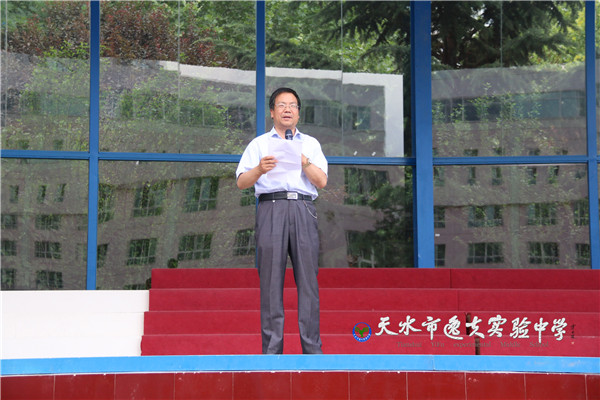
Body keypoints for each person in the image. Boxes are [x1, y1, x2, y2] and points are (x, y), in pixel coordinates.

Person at [236, 87, 328, 354]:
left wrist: (304, 162)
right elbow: (241, 182)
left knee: (308, 281)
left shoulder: (311, 144)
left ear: (298, 113)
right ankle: (272, 351)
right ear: (272, 112)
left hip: (302, 208)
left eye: (293, 105)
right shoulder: (259, 144)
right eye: (282, 105)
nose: (287, 109)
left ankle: (312, 349)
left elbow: (322, 181)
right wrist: (259, 169)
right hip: (271, 208)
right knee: (270, 282)